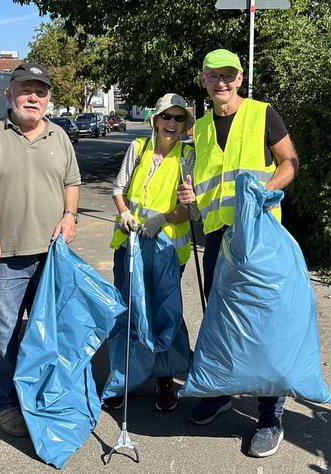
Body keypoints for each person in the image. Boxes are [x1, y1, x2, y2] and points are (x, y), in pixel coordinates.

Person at [177, 49, 299, 457]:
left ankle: (269, 414)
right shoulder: (204, 127)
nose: (221, 83)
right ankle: (222, 391)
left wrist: (264, 192)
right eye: (214, 76)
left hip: (259, 235)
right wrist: (191, 195)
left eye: (228, 75)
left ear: (240, 78)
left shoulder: (264, 114)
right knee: (220, 318)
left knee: (263, 322)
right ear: (204, 80)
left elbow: (290, 162)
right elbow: (209, 181)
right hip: (216, 237)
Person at [0, 63, 81, 437]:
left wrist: (70, 215)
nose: (34, 97)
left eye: (41, 92)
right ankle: (4, 402)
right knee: (3, 334)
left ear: (48, 99)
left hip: (51, 257)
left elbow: (72, 182)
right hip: (5, 258)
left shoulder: (59, 136)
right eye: (26, 89)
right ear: (9, 94)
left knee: (49, 333)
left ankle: (42, 396)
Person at [105, 93, 195, 412]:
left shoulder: (188, 157)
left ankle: (165, 378)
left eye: (178, 118)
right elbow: (118, 190)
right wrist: (125, 213)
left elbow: (192, 212)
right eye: (166, 117)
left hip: (167, 252)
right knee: (127, 311)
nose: (171, 123)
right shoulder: (138, 148)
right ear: (155, 120)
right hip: (130, 244)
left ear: (186, 124)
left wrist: (164, 218)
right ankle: (123, 378)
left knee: (162, 314)